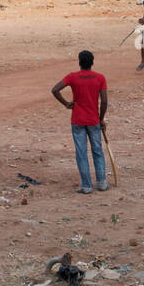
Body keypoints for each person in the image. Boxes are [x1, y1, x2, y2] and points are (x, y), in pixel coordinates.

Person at [51, 50, 109, 194]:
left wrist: (66, 104)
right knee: (97, 151)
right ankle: (101, 183)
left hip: (77, 119)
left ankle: (87, 185)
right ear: (92, 62)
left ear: (79, 62)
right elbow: (104, 102)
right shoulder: (100, 78)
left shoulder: (73, 77)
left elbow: (55, 90)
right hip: (93, 120)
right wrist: (101, 119)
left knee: (81, 153)